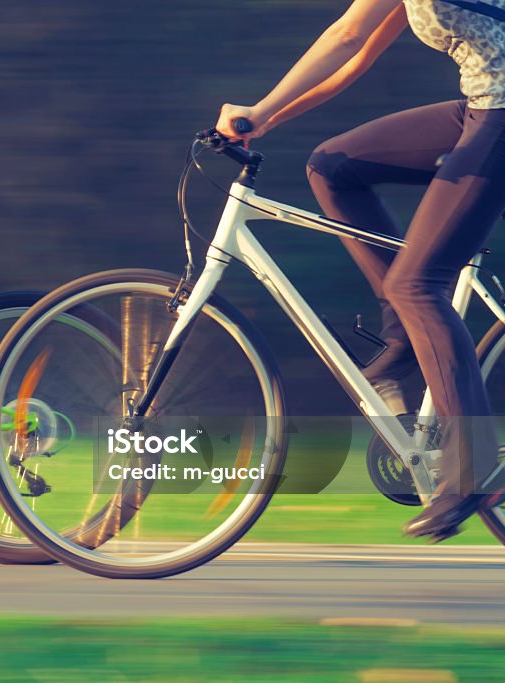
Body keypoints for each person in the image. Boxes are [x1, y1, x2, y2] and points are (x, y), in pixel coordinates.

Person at [213, 0, 505, 540]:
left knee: (419, 284)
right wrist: (264, 117)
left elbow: (347, 35)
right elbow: (355, 54)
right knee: (333, 166)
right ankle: (401, 348)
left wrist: (262, 106)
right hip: (482, 106)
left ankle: (472, 469)